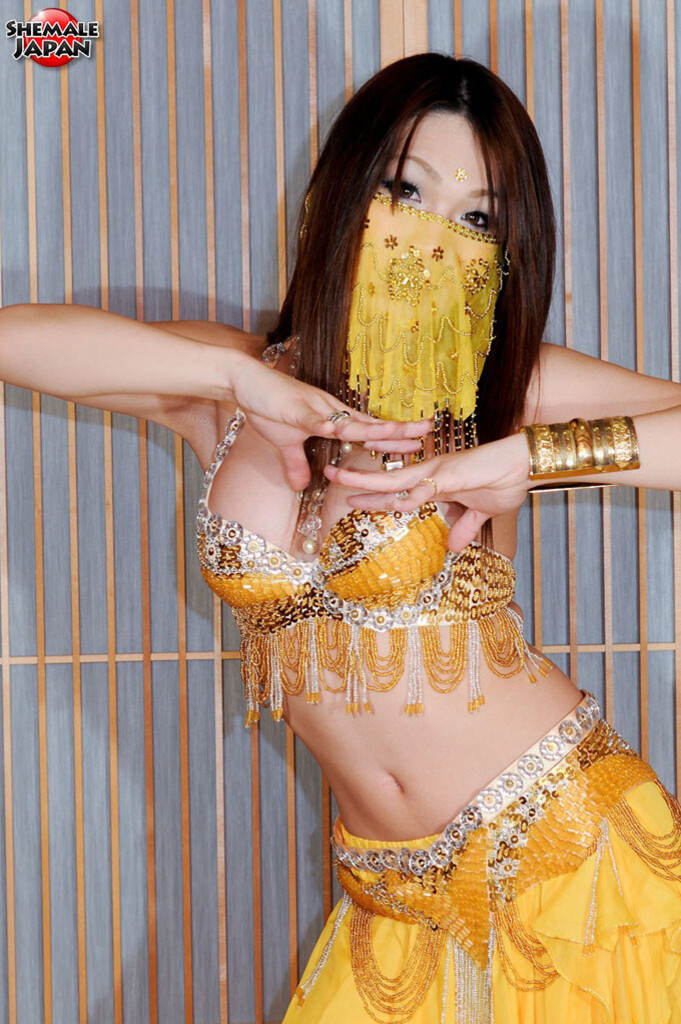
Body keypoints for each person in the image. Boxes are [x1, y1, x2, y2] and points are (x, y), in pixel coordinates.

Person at [2, 52, 681, 1023]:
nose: (430, 238)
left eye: (476, 219)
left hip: (570, 862)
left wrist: (533, 458)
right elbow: (15, 339)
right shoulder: (236, 387)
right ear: (343, 191)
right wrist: (241, 378)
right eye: (405, 191)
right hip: (391, 903)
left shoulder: (499, 386)